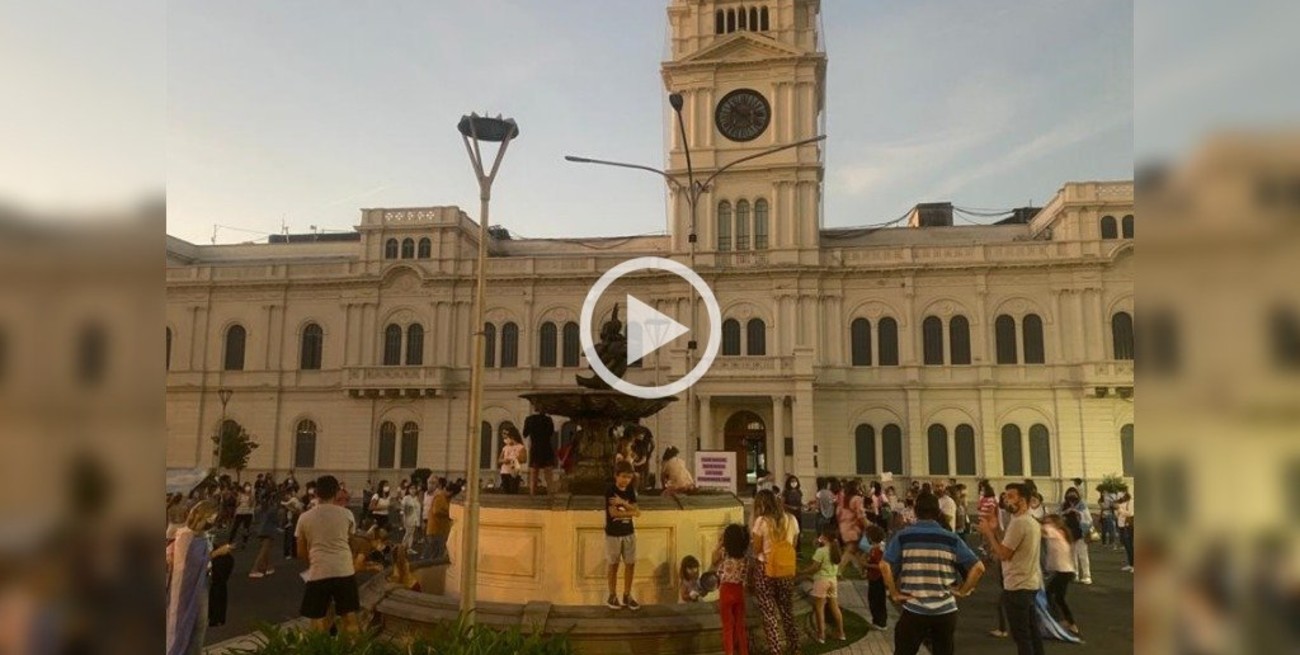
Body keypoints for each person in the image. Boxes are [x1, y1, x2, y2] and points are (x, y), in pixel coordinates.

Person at [879, 492, 985, 655]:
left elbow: (884, 565)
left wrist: (894, 592)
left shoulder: (904, 536)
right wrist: (963, 591)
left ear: (915, 511)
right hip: (945, 610)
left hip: (915, 608)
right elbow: (978, 568)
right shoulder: (951, 538)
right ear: (938, 513)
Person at [977, 483, 1045, 655]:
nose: (1006, 500)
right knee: (1032, 632)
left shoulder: (1019, 523)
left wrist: (988, 533)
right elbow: (1009, 546)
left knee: (1022, 636)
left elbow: (1003, 554)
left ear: (1022, 500)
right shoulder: (1030, 521)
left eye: (1010, 496)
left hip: (1017, 586)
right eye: (1006, 496)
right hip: (1029, 583)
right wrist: (995, 531)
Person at [295, 475, 360, 634]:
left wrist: (313, 561)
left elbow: (300, 551)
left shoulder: (305, 518)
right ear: (336, 493)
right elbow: (352, 542)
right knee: (349, 617)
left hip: (319, 570)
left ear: (316, 493)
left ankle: (320, 649)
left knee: (317, 618)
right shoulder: (347, 515)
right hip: (343, 569)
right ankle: (353, 648)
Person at [166, 501, 232, 655]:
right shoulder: (187, 536)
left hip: (199, 583)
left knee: (197, 625)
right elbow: (193, 564)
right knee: (190, 625)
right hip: (188, 587)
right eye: (212, 517)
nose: (214, 520)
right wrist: (219, 552)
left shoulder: (197, 535)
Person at [750, 489, 799, 655]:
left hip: (766, 570)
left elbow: (756, 549)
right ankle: (795, 647)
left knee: (769, 613)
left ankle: (776, 650)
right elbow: (794, 544)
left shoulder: (761, 522)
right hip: (786, 570)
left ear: (761, 504)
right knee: (787, 610)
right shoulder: (791, 519)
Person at [605, 461, 642, 610]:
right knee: (613, 564)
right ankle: (612, 595)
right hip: (613, 533)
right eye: (623, 477)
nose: (626, 480)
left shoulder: (630, 490)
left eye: (629, 477)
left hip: (629, 532)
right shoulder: (610, 490)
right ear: (616, 476)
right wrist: (630, 510)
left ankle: (627, 594)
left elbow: (637, 512)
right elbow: (612, 513)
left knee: (630, 564)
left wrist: (622, 503)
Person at [801, 526, 846, 644]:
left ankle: (821, 635)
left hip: (822, 581)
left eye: (821, 535)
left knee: (819, 609)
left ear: (824, 537)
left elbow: (815, 567)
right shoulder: (835, 550)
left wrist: (803, 572)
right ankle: (841, 633)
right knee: (834, 607)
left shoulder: (821, 551)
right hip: (833, 581)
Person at [712, 524, 750, 655]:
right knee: (740, 626)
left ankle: (729, 652)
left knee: (727, 627)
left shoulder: (724, 553)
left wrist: (719, 544)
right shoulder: (744, 557)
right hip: (739, 590)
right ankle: (744, 652)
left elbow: (714, 560)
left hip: (726, 590)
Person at [1042, 514, 1080, 636]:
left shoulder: (1056, 532)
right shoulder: (1061, 533)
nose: (1046, 524)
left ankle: (1063, 620)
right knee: (1059, 597)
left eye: (1048, 522)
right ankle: (1069, 622)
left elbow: (1041, 530)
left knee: (1051, 595)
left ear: (1055, 523)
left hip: (1064, 572)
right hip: (1064, 571)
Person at [1061, 487, 1093, 584]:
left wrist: (1078, 513)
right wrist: (1066, 512)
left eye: (1073, 495)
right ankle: (1075, 573)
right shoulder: (1064, 505)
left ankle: (1087, 575)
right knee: (1072, 555)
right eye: (1069, 495)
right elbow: (1057, 514)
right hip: (1069, 532)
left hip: (1080, 532)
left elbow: (1088, 518)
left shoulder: (1081, 505)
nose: (1071, 497)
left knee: (1083, 555)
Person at [426, 480, 462, 565]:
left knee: (438, 555)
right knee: (435, 557)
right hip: (436, 531)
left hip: (441, 531)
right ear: (451, 492)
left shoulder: (445, 498)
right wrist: (449, 514)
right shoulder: (440, 497)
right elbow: (436, 511)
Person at [523, 406, 558, 495]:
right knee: (548, 473)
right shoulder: (548, 419)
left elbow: (525, 434)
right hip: (546, 447)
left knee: (534, 472)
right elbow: (551, 432)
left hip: (535, 447)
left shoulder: (529, 419)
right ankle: (550, 492)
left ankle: (532, 492)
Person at [836, 479, 867, 575]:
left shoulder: (844, 499)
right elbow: (860, 515)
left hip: (844, 527)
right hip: (853, 527)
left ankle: (862, 571)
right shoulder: (857, 499)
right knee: (850, 550)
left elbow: (838, 513)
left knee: (855, 550)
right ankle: (837, 571)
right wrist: (868, 526)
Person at [862, 524, 889, 631]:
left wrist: (866, 565)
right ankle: (876, 621)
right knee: (873, 599)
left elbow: (881, 566)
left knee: (877, 600)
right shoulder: (874, 548)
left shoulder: (880, 549)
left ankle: (881, 622)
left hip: (878, 578)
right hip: (873, 577)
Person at [248, 489, 279, 578]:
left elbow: (256, 520)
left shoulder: (257, 509)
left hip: (259, 530)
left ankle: (268, 567)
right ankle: (254, 569)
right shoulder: (272, 509)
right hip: (269, 531)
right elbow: (276, 520)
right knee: (263, 551)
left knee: (265, 550)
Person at [781, 475, 804, 551]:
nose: (794, 483)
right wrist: (791, 507)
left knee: (798, 532)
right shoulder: (786, 492)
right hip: (789, 515)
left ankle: (798, 550)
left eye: (795, 481)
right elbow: (782, 504)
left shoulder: (799, 492)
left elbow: (800, 502)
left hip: (798, 514)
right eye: (792, 481)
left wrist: (804, 505)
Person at [230, 482, 254, 548]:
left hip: (248, 513)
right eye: (246, 486)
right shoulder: (240, 495)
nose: (247, 488)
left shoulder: (251, 495)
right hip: (240, 512)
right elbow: (236, 504)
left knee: (246, 528)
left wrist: (249, 496)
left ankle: (244, 542)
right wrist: (239, 500)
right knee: (235, 527)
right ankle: (230, 542)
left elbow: (251, 504)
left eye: (249, 486)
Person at [281, 489, 303, 559]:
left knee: (294, 537)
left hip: (294, 520)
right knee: (288, 538)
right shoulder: (285, 505)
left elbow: (298, 510)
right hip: (288, 522)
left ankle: (294, 552)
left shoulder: (294, 500)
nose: (287, 496)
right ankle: (287, 553)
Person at [400, 486, 422, 555]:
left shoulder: (416, 498)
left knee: (411, 533)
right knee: (408, 533)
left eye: (414, 488)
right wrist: (402, 518)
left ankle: (409, 548)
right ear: (408, 490)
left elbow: (418, 509)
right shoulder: (406, 498)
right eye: (411, 488)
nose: (413, 490)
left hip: (415, 519)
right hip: (408, 518)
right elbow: (402, 508)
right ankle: (403, 547)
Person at [1117, 490, 1135, 572]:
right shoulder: (1120, 503)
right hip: (1121, 525)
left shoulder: (1130, 502)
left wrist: (1120, 510)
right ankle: (1130, 564)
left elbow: (1131, 513)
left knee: (1130, 545)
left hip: (1128, 526)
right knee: (1127, 546)